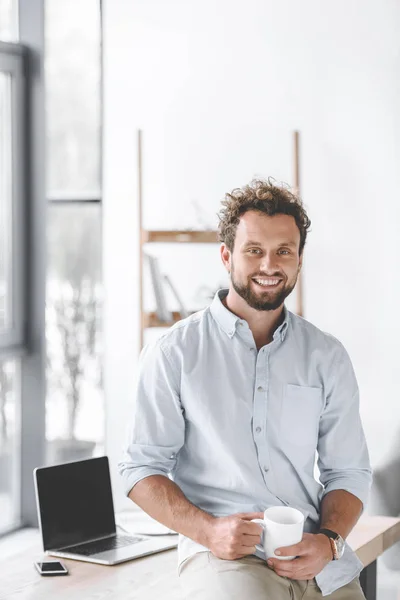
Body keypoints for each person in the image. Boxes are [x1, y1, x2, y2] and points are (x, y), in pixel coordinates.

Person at [118, 179, 372, 599]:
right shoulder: (174, 353)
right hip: (225, 558)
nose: (269, 266)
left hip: (318, 557)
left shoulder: (327, 355)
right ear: (226, 255)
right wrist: (209, 530)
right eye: (254, 250)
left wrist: (328, 541)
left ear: (299, 260)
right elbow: (140, 467)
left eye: (283, 251)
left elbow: (347, 471)